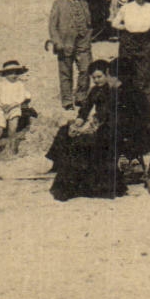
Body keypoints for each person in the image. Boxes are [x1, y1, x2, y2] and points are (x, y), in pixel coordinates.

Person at [45, 60, 125, 200]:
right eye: (94, 78)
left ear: (107, 75)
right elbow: (86, 108)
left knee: (80, 140)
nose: (96, 80)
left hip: (106, 126)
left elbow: (105, 115)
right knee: (65, 130)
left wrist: (86, 129)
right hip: (96, 123)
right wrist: (78, 122)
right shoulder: (94, 90)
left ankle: (73, 173)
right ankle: (59, 165)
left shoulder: (113, 91)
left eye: (99, 77)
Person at [45, 0, 94, 109]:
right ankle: (67, 100)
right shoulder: (59, 3)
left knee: (86, 69)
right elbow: (52, 26)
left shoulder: (84, 3)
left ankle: (81, 97)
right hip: (65, 43)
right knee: (66, 73)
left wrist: (88, 36)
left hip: (83, 43)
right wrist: (57, 42)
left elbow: (89, 23)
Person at [0, 60, 34, 161]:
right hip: (1, 108)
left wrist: (12, 105)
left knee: (12, 129)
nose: (13, 75)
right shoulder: (0, 85)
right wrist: (2, 105)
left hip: (14, 108)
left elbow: (21, 97)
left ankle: (11, 150)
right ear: (5, 74)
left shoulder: (20, 84)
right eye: (10, 73)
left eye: (16, 73)